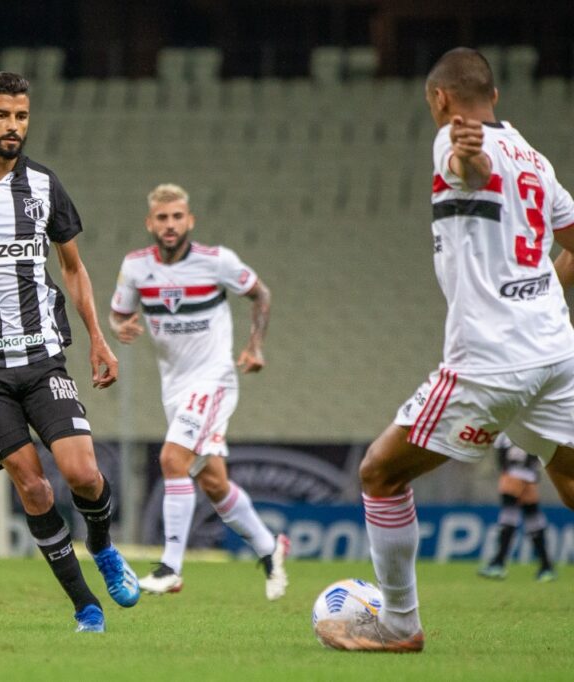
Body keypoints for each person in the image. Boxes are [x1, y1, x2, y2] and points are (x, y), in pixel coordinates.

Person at [321, 47, 574, 653]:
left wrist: (470, 159)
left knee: (380, 473)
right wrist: (537, 293)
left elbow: (472, 170)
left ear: (439, 98)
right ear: (496, 95)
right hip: (554, 349)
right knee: (568, 471)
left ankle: (399, 624)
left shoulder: (451, 141)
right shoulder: (534, 158)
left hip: (491, 360)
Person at [0, 71, 139, 633]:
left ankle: (104, 547)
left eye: (22, 116)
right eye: (3, 116)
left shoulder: (44, 184)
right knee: (31, 483)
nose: (14, 126)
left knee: (82, 472)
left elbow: (73, 267)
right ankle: (86, 605)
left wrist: (98, 338)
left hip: (41, 357)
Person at [108, 184, 289, 599]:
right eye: (162, 218)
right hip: (174, 386)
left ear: (190, 220)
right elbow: (118, 316)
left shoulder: (216, 262)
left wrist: (255, 345)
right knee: (213, 482)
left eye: (177, 217)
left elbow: (260, 293)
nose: (169, 226)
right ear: (149, 223)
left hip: (214, 379)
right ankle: (268, 548)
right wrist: (122, 328)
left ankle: (170, 566)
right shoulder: (135, 267)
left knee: (172, 458)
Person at [478, 434, 556, 582]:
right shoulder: (532, 427)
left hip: (512, 475)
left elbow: (500, 456)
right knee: (533, 520)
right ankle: (546, 567)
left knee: (509, 518)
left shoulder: (506, 431)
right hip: (529, 477)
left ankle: (498, 563)